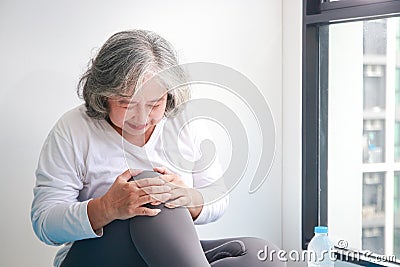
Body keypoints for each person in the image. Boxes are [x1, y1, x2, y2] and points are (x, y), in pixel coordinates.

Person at [31, 29, 284, 267]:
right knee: (150, 187)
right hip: (96, 256)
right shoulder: (73, 129)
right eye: (125, 103)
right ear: (103, 94)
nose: (141, 118)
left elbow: (217, 195)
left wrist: (190, 197)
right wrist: (106, 207)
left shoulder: (185, 121)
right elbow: (45, 224)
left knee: (263, 256)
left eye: (154, 104)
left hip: (164, 253)